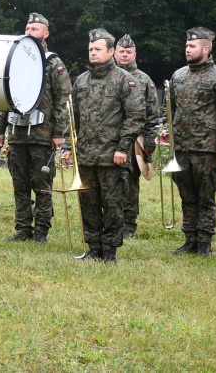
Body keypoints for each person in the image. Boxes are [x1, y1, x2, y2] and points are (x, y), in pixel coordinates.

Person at [68, 29, 144, 262]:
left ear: (111, 51)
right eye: (90, 49)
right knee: (88, 204)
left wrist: (123, 148)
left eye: (97, 49)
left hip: (113, 156)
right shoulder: (80, 81)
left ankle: (109, 250)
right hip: (86, 156)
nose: (93, 53)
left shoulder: (125, 79)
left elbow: (135, 116)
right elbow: (73, 119)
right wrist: (69, 148)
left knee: (112, 205)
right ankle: (93, 247)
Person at [0, 13, 71, 243]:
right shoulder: (15, 59)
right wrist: (1, 129)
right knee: (20, 185)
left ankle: (41, 231)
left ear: (45, 34)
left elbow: (64, 99)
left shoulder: (53, 62)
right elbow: (4, 96)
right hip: (17, 136)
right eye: (27, 28)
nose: (29, 33)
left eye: (35, 30)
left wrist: (59, 133)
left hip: (43, 136)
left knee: (42, 186)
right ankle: (22, 229)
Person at [162, 27, 216, 256]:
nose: (187, 49)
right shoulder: (178, 75)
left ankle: (204, 242)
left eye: (192, 46)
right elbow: (170, 110)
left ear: (206, 48)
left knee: (205, 196)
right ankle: (189, 239)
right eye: (186, 46)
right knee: (187, 195)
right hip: (182, 147)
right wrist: (166, 129)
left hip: (207, 149)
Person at [115, 34, 160, 239]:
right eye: (121, 51)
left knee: (130, 183)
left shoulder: (143, 80)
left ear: (135, 54)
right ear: (114, 52)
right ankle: (112, 220)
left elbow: (152, 113)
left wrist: (150, 142)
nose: (124, 55)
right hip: (109, 138)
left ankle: (129, 224)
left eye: (128, 52)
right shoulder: (108, 76)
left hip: (135, 140)